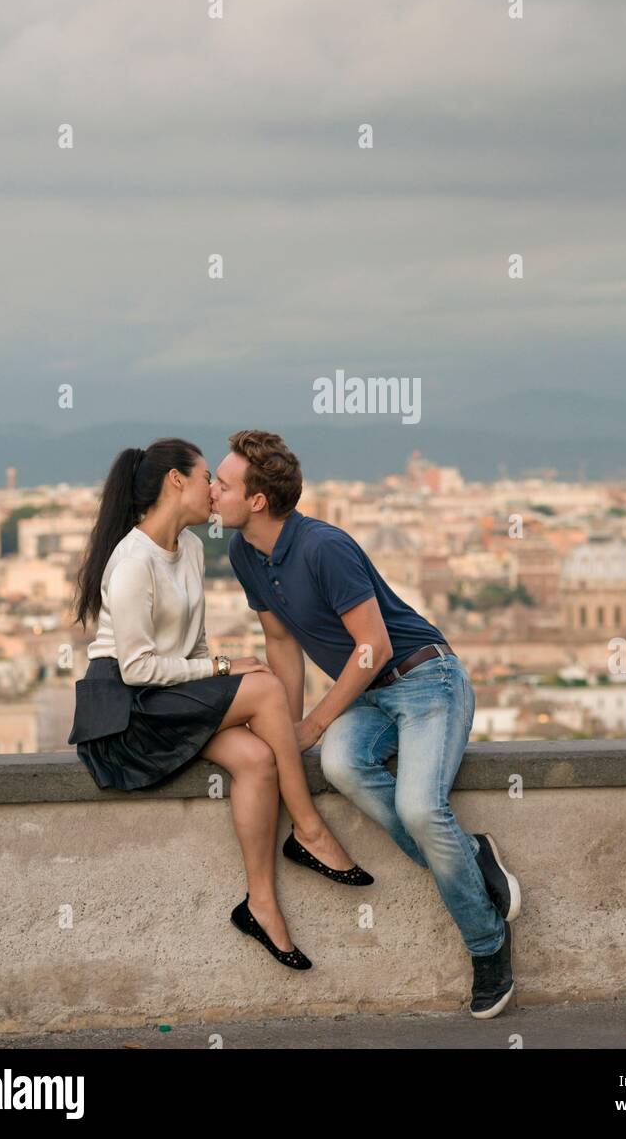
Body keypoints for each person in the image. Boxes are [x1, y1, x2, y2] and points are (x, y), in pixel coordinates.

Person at [213, 429, 522, 1020]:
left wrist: (315, 723)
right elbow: (281, 643)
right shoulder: (243, 554)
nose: (211, 492)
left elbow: (372, 647)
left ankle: (486, 943)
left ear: (257, 501)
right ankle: (471, 852)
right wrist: (291, 725)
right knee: (340, 765)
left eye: (223, 484)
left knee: (419, 810)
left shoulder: (323, 547)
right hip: (370, 697)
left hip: (425, 677)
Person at [68, 436, 372, 971]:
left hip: (168, 698)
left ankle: (260, 904)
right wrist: (226, 670)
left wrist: (221, 669)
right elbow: (137, 668)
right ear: (175, 481)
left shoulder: (186, 548)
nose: (214, 488)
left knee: (256, 761)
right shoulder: (134, 560)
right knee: (266, 686)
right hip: (126, 713)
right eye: (207, 475)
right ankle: (309, 829)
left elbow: (197, 646)